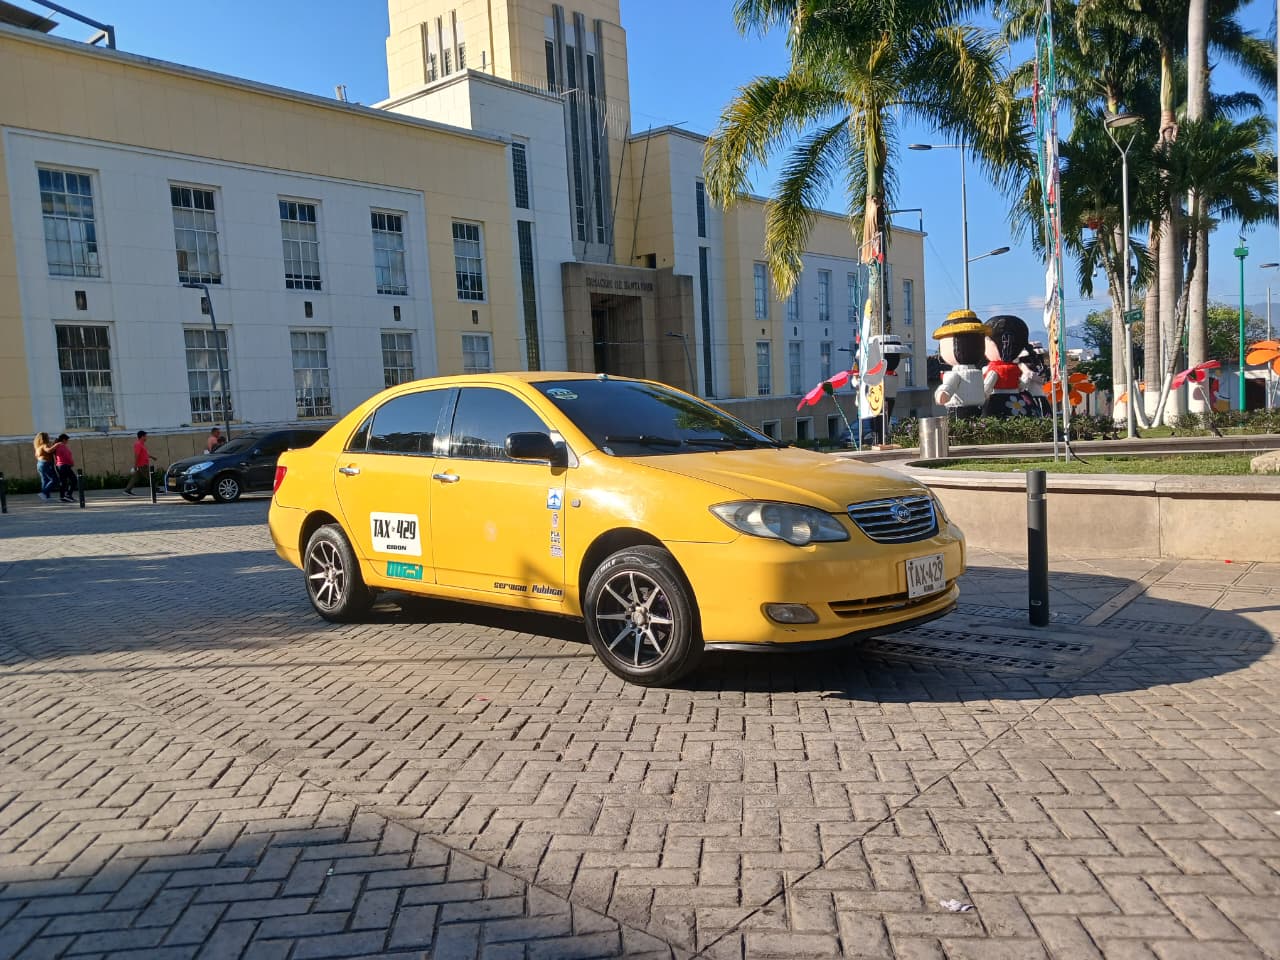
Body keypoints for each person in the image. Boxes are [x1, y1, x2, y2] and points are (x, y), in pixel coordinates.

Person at [123, 430, 156, 496]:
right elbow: (137, 455)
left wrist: (152, 457)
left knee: (135, 478)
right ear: (142, 437)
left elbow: (144, 454)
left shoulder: (142, 445)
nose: (146, 438)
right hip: (142, 465)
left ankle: (127, 490)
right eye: (145, 436)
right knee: (151, 477)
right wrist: (135, 465)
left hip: (142, 465)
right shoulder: (138, 444)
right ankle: (156, 489)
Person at [32, 432, 57, 501]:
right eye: (47, 436)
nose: (49, 438)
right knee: (54, 480)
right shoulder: (44, 445)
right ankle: (44, 493)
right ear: (44, 438)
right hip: (46, 464)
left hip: (40, 464)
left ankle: (46, 497)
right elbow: (49, 451)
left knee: (45, 480)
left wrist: (53, 445)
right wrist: (56, 445)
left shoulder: (37, 447)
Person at [52, 434, 76, 502]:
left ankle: (64, 496)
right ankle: (66, 495)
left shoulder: (58, 445)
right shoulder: (61, 445)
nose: (67, 442)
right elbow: (66, 456)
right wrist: (71, 463)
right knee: (73, 480)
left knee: (64, 481)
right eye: (67, 440)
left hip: (61, 466)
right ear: (63, 440)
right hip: (64, 465)